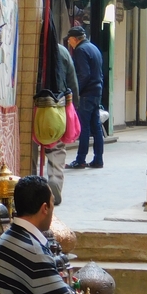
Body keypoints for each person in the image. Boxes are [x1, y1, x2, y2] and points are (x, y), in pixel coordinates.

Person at [65, 26, 105, 170]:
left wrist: (76, 92)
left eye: (70, 40)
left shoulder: (80, 50)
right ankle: (98, 159)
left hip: (87, 94)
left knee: (84, 127)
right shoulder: (93, 47)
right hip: (97, 91)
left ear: (75, 39)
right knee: (97, 127)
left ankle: (80, 160)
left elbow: (84, 74)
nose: (70, 44)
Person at [46, 41, 79, 204]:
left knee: (30, 147)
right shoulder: (63, 51)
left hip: (35, 105)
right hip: (57, 106)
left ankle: (30, 186)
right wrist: (74, 105)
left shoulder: (32, 47)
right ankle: (55, 183)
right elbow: (72, 81)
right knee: (56, 147)